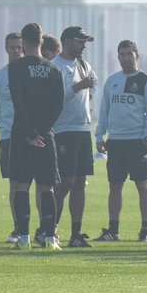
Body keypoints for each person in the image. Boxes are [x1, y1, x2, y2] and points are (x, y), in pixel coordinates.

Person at [8, 22, 65, 250]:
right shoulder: (53, 69)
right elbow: (58, 105)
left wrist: (30, 133)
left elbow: (18, 103)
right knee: (47, 188)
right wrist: (42, 132)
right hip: (46, 137)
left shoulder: (16, 68)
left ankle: (23, 239)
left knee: (21, 186)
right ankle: (50, 239)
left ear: (23, 42)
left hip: (22, 135)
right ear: (41, 41)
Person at [95, 39, 147, 242]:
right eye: (121, 54)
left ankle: (145, 229)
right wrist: (99, 135)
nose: (125, 58)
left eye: (129, 54)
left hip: (136, 141)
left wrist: (146, 137)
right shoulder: (112, 81)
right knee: (115, 185)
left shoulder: (145, 81)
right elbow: (104, 111)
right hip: (116, 141)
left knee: (142, 184)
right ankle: (113, 230)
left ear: (136, 55)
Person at [51, 25, 98, 248]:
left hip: (82, 129)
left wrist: (86, 96)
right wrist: (78, 87)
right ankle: (49, 228)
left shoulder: (84, 64)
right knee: (66, 181)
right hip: (64, 130)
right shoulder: (56, 67)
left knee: (80, 182)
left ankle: (76, 234)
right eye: (80, 41)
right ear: (68, 41)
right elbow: (56, 100)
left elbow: (93, 88)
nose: (83, 45)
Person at [0, 32, 24, 243]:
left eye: (20, 47)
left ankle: (41, 228)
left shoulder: (30, 73)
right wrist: (5, 125)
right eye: (13, 47)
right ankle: (18, 227)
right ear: (6, 49)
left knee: (39, 184)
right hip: (9, 136)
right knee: (15, 184)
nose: (17, 51)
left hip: (32, 136)